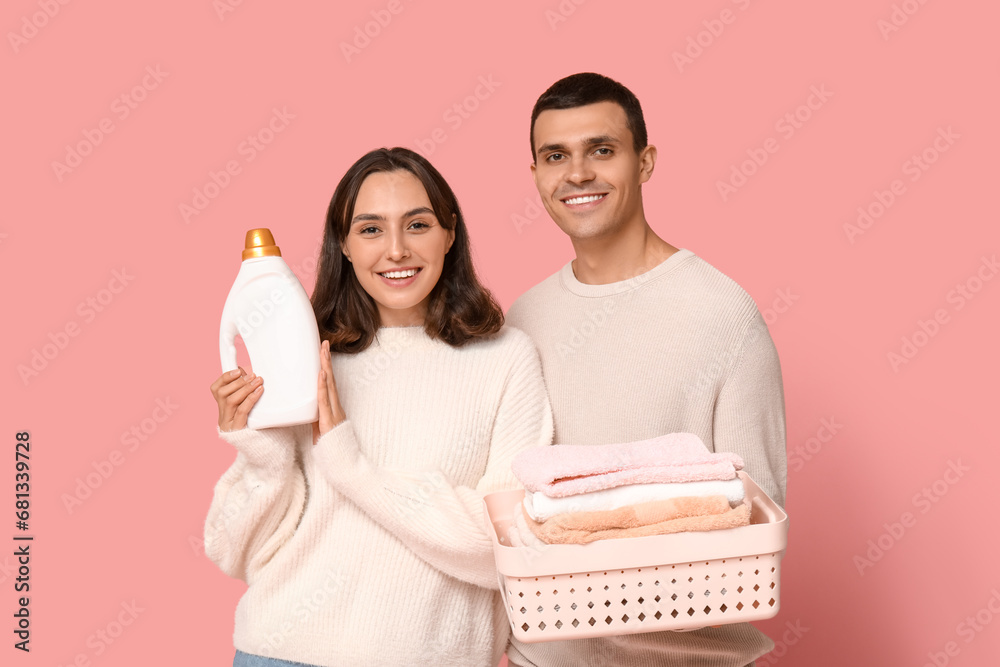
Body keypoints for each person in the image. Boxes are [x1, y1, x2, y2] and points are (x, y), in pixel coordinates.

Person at [205, 147, 552, 667]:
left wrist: (353, 467)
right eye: (370, 230)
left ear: (449, 232)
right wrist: (257, 449)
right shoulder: (303, 356)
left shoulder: (505, 359)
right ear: (343, 244)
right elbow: (233, 551)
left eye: (417, 224)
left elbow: (506, 544)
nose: (396, 250)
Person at [504, 73, 787, 667]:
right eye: (556, 156)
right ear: (535, 175)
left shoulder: (722, 314)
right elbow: (512, 502)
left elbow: (754, 524)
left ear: (645, 162)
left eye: (601, 151)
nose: (577, 174)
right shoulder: (523, 318)